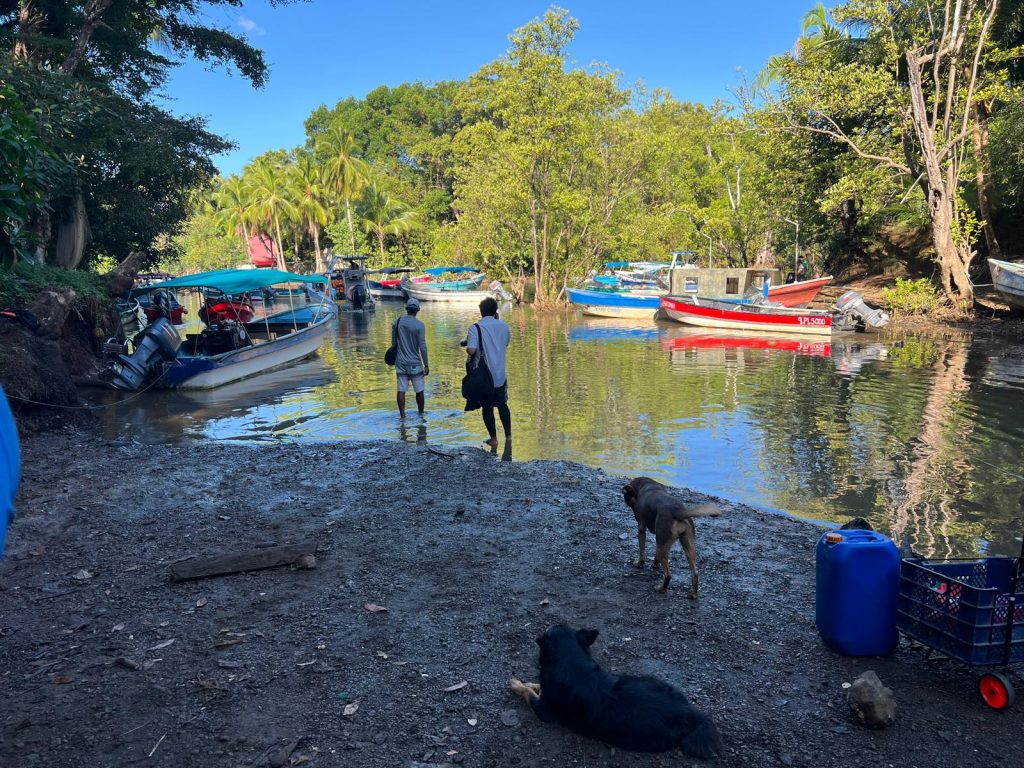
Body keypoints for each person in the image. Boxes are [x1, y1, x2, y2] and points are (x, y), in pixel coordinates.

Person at [464, 297, 511, 448]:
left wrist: (466, 345)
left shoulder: (475, 328)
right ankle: (509, 437)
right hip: (500, 375)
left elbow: (471, 350)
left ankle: (494, 439)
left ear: (481, 311)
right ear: (495, 311)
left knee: (487, 407)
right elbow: (505, 343)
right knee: (502, 405)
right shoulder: (503, 326)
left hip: (484, 377)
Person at [394, 298, 429, 418]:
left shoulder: (397, 322)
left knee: (401, 389)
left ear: (407, 309)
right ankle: (421, 414)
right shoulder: (420, 325)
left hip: (400, 362)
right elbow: (422, 346)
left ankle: (402, 416)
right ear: (417, 310)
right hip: (415, 363)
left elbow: (394, 343)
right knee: (419, 391)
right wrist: (426, 364)